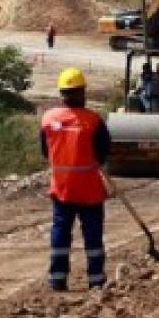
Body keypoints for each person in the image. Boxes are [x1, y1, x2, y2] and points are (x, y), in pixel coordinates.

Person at [40, 68, 111, 291]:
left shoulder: (48, 119)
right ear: (82, 92)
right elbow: (103, 152)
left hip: (62, 189)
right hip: (89, 190)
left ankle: (57, 279)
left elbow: (45, 150)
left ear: (62, 93)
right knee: (92, 236)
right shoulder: (93, 121)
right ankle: (96, 279)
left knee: (60, 233)